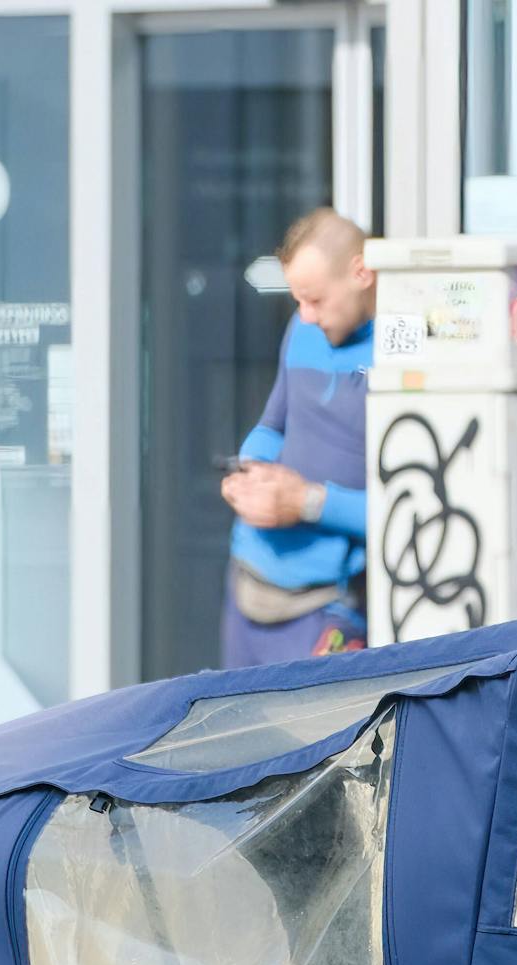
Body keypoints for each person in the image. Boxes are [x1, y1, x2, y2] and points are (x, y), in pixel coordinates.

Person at [219, 208, 375, 666]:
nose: (305, 316)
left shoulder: (400, 350)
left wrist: (306, 501)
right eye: (297, 301)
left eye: (316, 300)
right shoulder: (302, 331)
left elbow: (409, 512)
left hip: (326, 602)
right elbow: (273, 423)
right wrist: (249, 471)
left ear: (361, 273)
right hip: (249, 580)